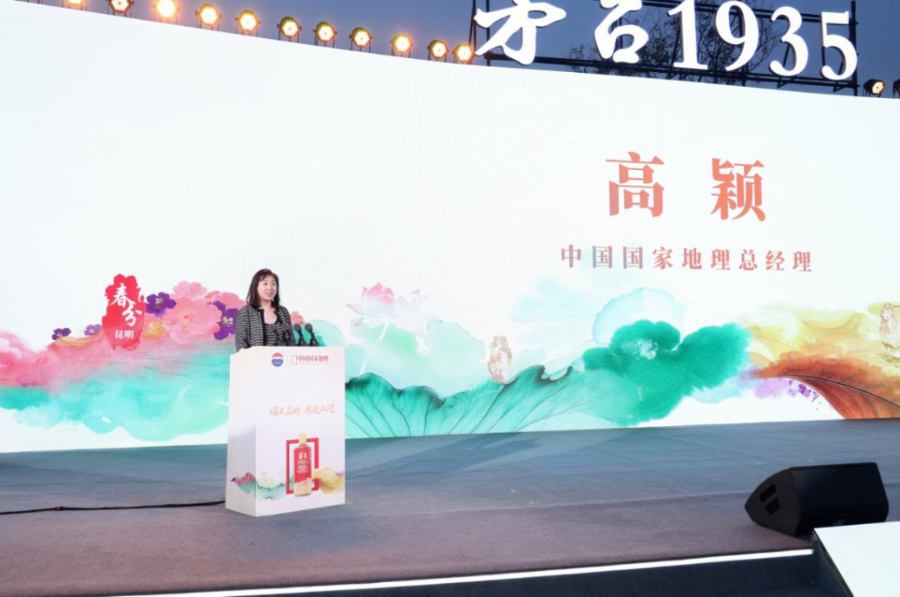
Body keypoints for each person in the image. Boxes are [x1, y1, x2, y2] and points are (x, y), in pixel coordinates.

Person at [234, 268, 297, 351]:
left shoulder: (283, 312)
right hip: (255, 359)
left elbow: (291, 342)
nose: (270, 288)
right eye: (265, 284)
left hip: (283, 358)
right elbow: (241, 344)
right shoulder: (245, 313)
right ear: (255, 286)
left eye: (273, 284)